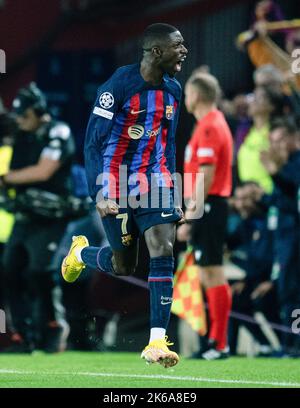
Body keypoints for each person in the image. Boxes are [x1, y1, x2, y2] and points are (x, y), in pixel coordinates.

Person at [61, 23, 188, 368]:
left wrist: (172, 188)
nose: (184, 51)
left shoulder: (174, 91)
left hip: (155, 181)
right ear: (156, 51)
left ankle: (157, 341)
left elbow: (169, 142)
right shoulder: (117, 87)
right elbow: (91, 142)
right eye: (178, 45)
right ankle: (82, 253)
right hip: (115, 183)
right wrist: (99, 192)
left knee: (163, 248)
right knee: (123, 264)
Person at [0, 83, 75, 352]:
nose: (20, 121)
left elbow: (44, 171)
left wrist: (6, 179)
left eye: (24, 115)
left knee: (38, 272)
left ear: (38, 111)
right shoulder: (21, 136)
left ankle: (54, 325)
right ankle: (23, 334)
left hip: (51, 217)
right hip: (25, 215)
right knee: (9, 270)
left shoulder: (58, 131)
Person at [177, 72, 233, 360]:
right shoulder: (209, 124)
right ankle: (214, 341)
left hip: (209, 205)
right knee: (208, 272)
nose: (185, 98)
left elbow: (207, 174)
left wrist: (191, 215)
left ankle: (220, 343)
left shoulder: (210, 126)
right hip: (208, 205)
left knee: (213, 271)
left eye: (187, 93)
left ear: (196, 96)